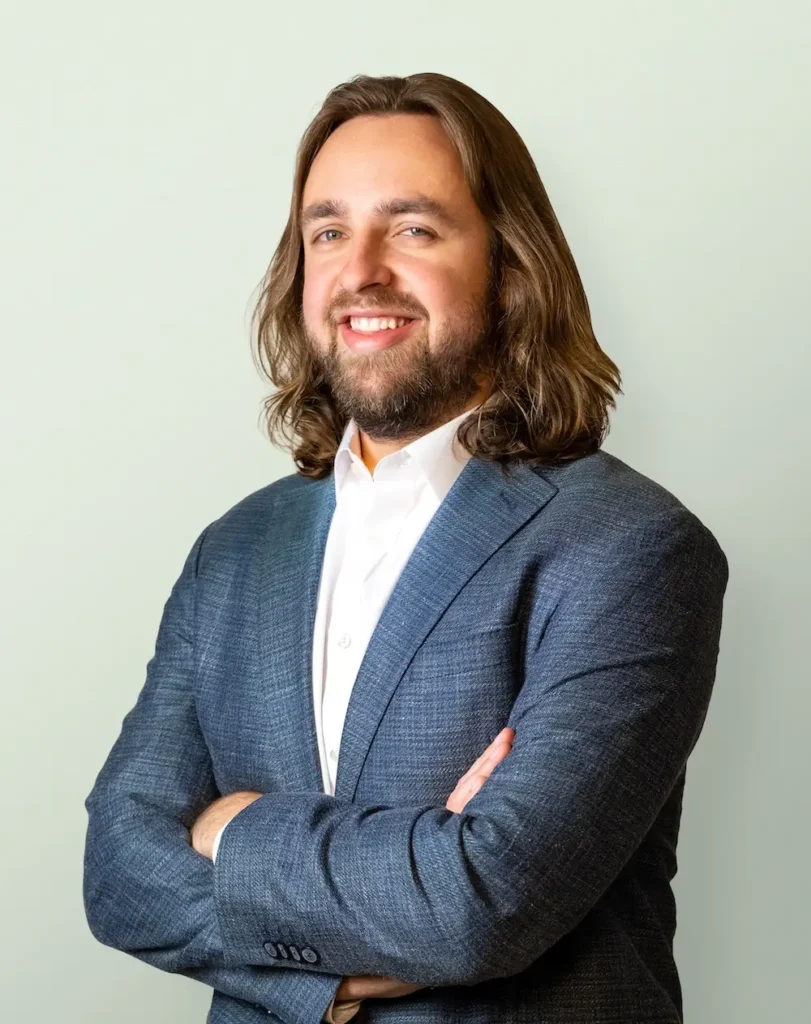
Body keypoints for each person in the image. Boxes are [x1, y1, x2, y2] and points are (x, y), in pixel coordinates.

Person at [83, 72, 729, 1024]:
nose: (361, 271)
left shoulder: (632, 548)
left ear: (510, 266)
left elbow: (478, 905)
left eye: (414, 229)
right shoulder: (234, 551)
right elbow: (118, 874)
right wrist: (339, 969)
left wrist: (232, 828)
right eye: (328, 232)